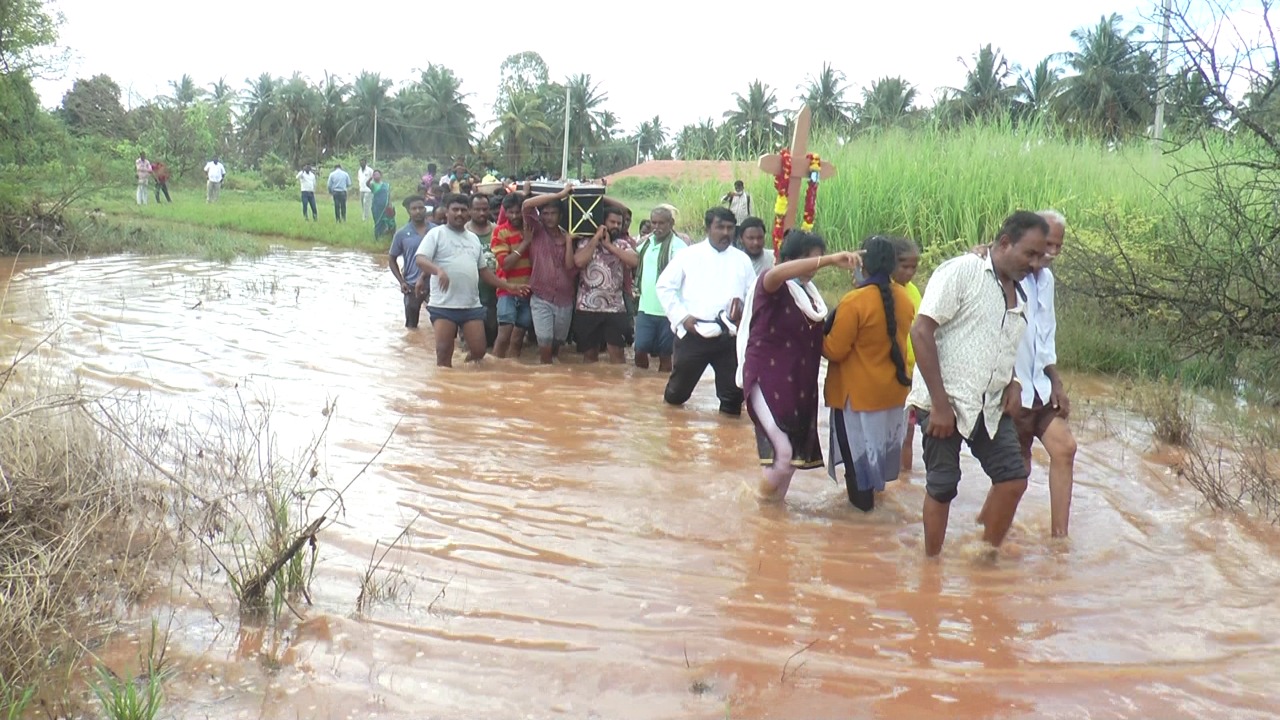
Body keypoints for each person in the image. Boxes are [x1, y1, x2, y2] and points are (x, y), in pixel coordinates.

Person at [908, 211, 1048, 557]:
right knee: (942, 487)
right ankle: (931, 567)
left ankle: (984, 558)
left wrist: (1013, 382)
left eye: (1039, 256)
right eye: (1029, 254)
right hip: (944, 403)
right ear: (1004, 243)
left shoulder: (1019, 293)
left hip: (989, 406)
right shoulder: (962, 272)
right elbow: (920, 330)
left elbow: (1002, 342)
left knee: (1013, 478)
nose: (1035, 263)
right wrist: (940, 406)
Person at [737, 230, 860, 501]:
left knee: (791, 460)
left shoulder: (812, 298)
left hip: (799, 383)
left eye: (816, 260)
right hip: (766, 379)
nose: (813, 267)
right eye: (808, 260)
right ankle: (755, 504)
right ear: (788, 259)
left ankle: (773, 516)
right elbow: (779, 273)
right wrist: (828, 260)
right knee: (782, 454)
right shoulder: (772, 284)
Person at [976, 210, 1077, 538]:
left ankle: (1060, 538)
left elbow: (1045, 335)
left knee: (1064, 448)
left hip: (1039, 385)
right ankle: (986, 537)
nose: (1051, 254)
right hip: (1010, 387)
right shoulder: (1001, 271)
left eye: (1057, 247)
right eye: (1045, 245)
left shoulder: (1045, 281)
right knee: (1015, 473)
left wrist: (1056, 381)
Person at [823, 236, 916, 511]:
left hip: (857, 398)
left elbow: (834, 350)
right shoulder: (904, 298)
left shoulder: (855, 301)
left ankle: (861, 526)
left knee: (857, 468)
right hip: (891, 395)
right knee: (875, 463)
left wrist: (813, 333)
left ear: (861, 265)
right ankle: (873, 524)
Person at [656, 207, 756, 416]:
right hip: (694, 333)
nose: (726, 233)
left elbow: (752, 295)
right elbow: (664, 287)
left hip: (729, 337)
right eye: (720, 227)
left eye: (730, 228)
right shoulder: (688, 255)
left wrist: (743, 314)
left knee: (732, 399)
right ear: (708, 228)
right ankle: (672, 433)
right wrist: (683, 318)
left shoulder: (742, 260)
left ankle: (727, 443)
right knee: (677, 394)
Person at [414, 194, 526, 367]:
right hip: (444, 305)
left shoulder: (472, 239)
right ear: (447, 212)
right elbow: (420, 259)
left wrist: (508, 286)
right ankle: (446, 389)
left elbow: (484, 271)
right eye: (455, 210)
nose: (459, 213)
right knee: (444, 351)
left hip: (471, 305)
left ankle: (466, 383)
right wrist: (438, 270)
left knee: (479, 351)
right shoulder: (436, 234)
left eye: (463, 210)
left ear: (468, 213)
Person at [572, 207, 638, 363]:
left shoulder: (622, 244)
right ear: (602, 223)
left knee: (618, 355)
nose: (616, 226)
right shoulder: (586, 242)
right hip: (587, 308)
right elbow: (579, 262)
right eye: (612, 222)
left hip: (615, 308)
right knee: (589, 355)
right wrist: (596, 239)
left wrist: (609, 246)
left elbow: (634, 261)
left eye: (619, 223)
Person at [522, 185, 579, 364]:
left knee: (556, 347)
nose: (548, 217)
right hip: (541, 297)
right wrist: (560, 194)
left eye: (553, 213)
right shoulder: (537, 231)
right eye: (545, 213)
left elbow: (571, 269)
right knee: (545, 346)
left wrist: (569, 242)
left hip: (565, 300)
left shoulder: (570, 236)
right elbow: (526, 205)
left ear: (560, 215)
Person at [633, 206, 687, 372]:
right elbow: (634, 258)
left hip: (667, 311)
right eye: (653, 223)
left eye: (661, 223)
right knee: (639, 349)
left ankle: (659, 389)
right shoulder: (647, 243)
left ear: (671, 223)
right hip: (645, 308)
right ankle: (641, 387)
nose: (657, 227)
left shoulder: (679, 247)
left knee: (665, 355)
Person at [892, 237, 924, 472]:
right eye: (904, 266)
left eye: (914, 267)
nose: (910, 272)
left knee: (908, 431)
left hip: (913, 376)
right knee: (890, 431)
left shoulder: (913, 292)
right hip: (892, 375)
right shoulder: (884, 292)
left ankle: (904, 481)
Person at [491, 192, 533, 358]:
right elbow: (505, 264)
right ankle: (496, 370)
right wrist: (525, 243)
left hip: (528, 292)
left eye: (518, 212)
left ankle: (511, 373)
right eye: (511, 212)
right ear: (505, 212)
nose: (514, 216)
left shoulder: (531, 229)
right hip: (507, 291)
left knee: (517, 340)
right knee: (504, 336)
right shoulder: (500, 232)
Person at [390, 197, 432, 328]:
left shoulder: (436, 231)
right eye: (414, 208)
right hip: (411, 286)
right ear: (409, 211)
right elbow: (391, 259)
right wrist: (401, 282)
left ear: (425, 209)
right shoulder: (401, 234)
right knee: (411, 328)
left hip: (435, 285)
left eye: (421, 208)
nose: (418, 211)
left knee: (442, 324)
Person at [465, 193, 500, 348]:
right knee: (469, 344)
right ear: (470, 211)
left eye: (485, 209)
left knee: (492, 338)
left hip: (494, 294)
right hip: (467, 297)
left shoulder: (498, 231)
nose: (481, 213)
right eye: (477, 209)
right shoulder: (462, 232)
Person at [368, 170, 395, 240]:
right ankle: (377, 237)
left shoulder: (386, 185)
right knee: (378, 221)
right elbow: (367, 184)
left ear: (381, 175)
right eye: (374, 174)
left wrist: (390, 204)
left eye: (377, 174)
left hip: (386, 206)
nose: (376, 176)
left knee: (388, 221)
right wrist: (370, 179)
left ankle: (386, 235)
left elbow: (388, 195)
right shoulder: (373, 185)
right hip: (376, 207)